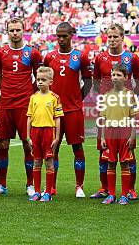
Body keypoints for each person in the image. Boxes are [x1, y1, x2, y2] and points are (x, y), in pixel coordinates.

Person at [0, 18, 42, 197]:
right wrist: (7, 90)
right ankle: (2, 184)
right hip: (6, 104)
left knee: (28, 144)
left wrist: (29, 92)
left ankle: (30, 184)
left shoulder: (32, 53)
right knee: (3, 143)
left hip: (25, 105)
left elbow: (39, 77)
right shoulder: (0, 53)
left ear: (23, 30)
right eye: (11, 30)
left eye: (17, 30)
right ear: (7, 31)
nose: (14, 33)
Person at [91, 24, 139, 200]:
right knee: (103, 150)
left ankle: (130, 188)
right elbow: (96, 82)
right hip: (108, 109)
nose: (112, 40)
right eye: (109, 37)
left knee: (129, 152)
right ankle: (105, 187)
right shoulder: (100, 58)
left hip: (125, 114)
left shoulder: (132, 58)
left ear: (122, 38)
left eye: (115, 37)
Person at [43, 22, 92, 197]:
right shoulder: (49, 57)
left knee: (77, 147)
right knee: (52, 147)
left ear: (72, 35)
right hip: (53, 111)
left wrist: (77, 99)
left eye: (65, 36)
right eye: (58, 36)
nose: (61, 39)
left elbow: (89, 82)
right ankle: (52, 186)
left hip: (73, 110)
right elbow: (44, 80)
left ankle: (79, 186)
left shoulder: (81, 57)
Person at [98, 64, 137, 205]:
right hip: (110, 132)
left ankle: (124, 195)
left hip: (125, 132)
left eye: (119, 75)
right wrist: (102, 136)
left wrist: (133, 136)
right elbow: (104, 118)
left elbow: (133, 117)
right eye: (113, 75)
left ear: (126, 78)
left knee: (125, 163)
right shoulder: (107, 95)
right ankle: (112, 194)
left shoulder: (130, 95)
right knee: (111, 163)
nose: (115, 77)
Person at [26, 67, 62, 202]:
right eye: (38, 79)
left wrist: (57, 137)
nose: (40, 82)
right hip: (35, 132)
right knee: (36, 162)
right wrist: (28, 136)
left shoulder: (54, 98)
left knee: (49, 162)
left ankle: (47, 192)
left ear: (50, 82)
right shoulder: (33, 97)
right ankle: (36, 192)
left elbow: (57, 118)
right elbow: (29, 117)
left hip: (48, 132)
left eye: (43, 80)